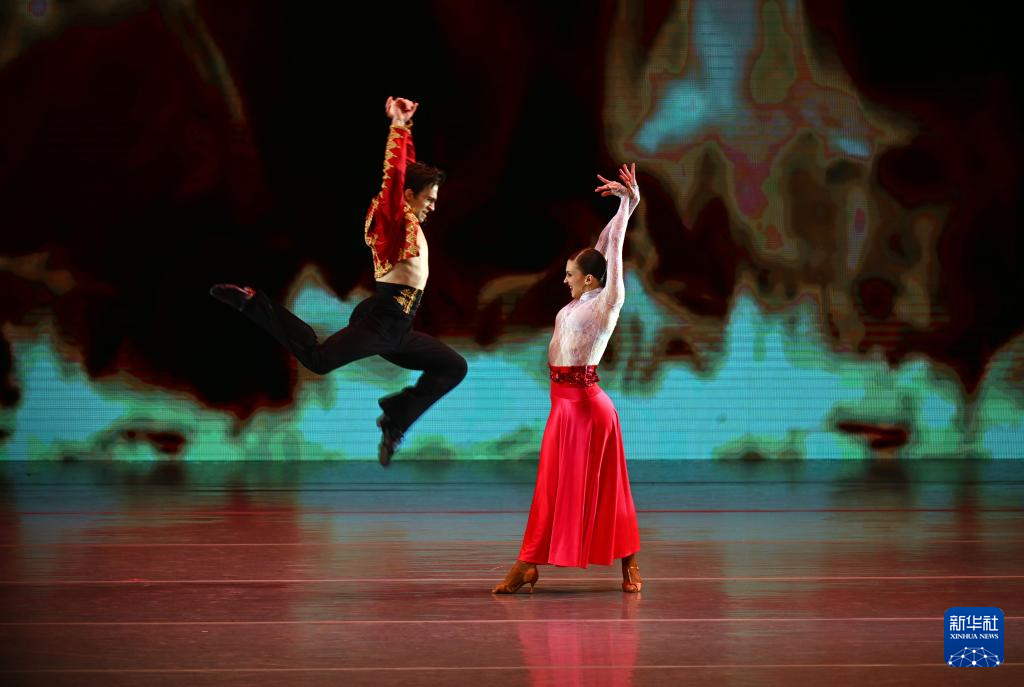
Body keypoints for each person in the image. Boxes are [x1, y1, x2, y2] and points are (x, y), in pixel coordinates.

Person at [210, 97, 467, 465]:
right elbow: (395, 176)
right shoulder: (394, 221)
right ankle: (252, 303)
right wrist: (397, 125)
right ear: (409, 197)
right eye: (429, 199)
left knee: (453, 366)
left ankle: (396, 417)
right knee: (318, 360)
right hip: (381, 323)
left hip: (398, 328)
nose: (433, 206)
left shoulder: (406, 219)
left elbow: (407, 173)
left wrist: (407, 129)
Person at [492, 163, 643, 594]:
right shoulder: (582, 300)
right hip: (562, 405)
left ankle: (629, 562)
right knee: (549, 490)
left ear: (590, 279)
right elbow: (601, 248)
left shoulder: (606, 303)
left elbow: (612, 254)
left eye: (570, 275)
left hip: (588, 409)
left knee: (609, 491)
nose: (565, 280)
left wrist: (629, 208)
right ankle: (528, 564)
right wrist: (625, 205)